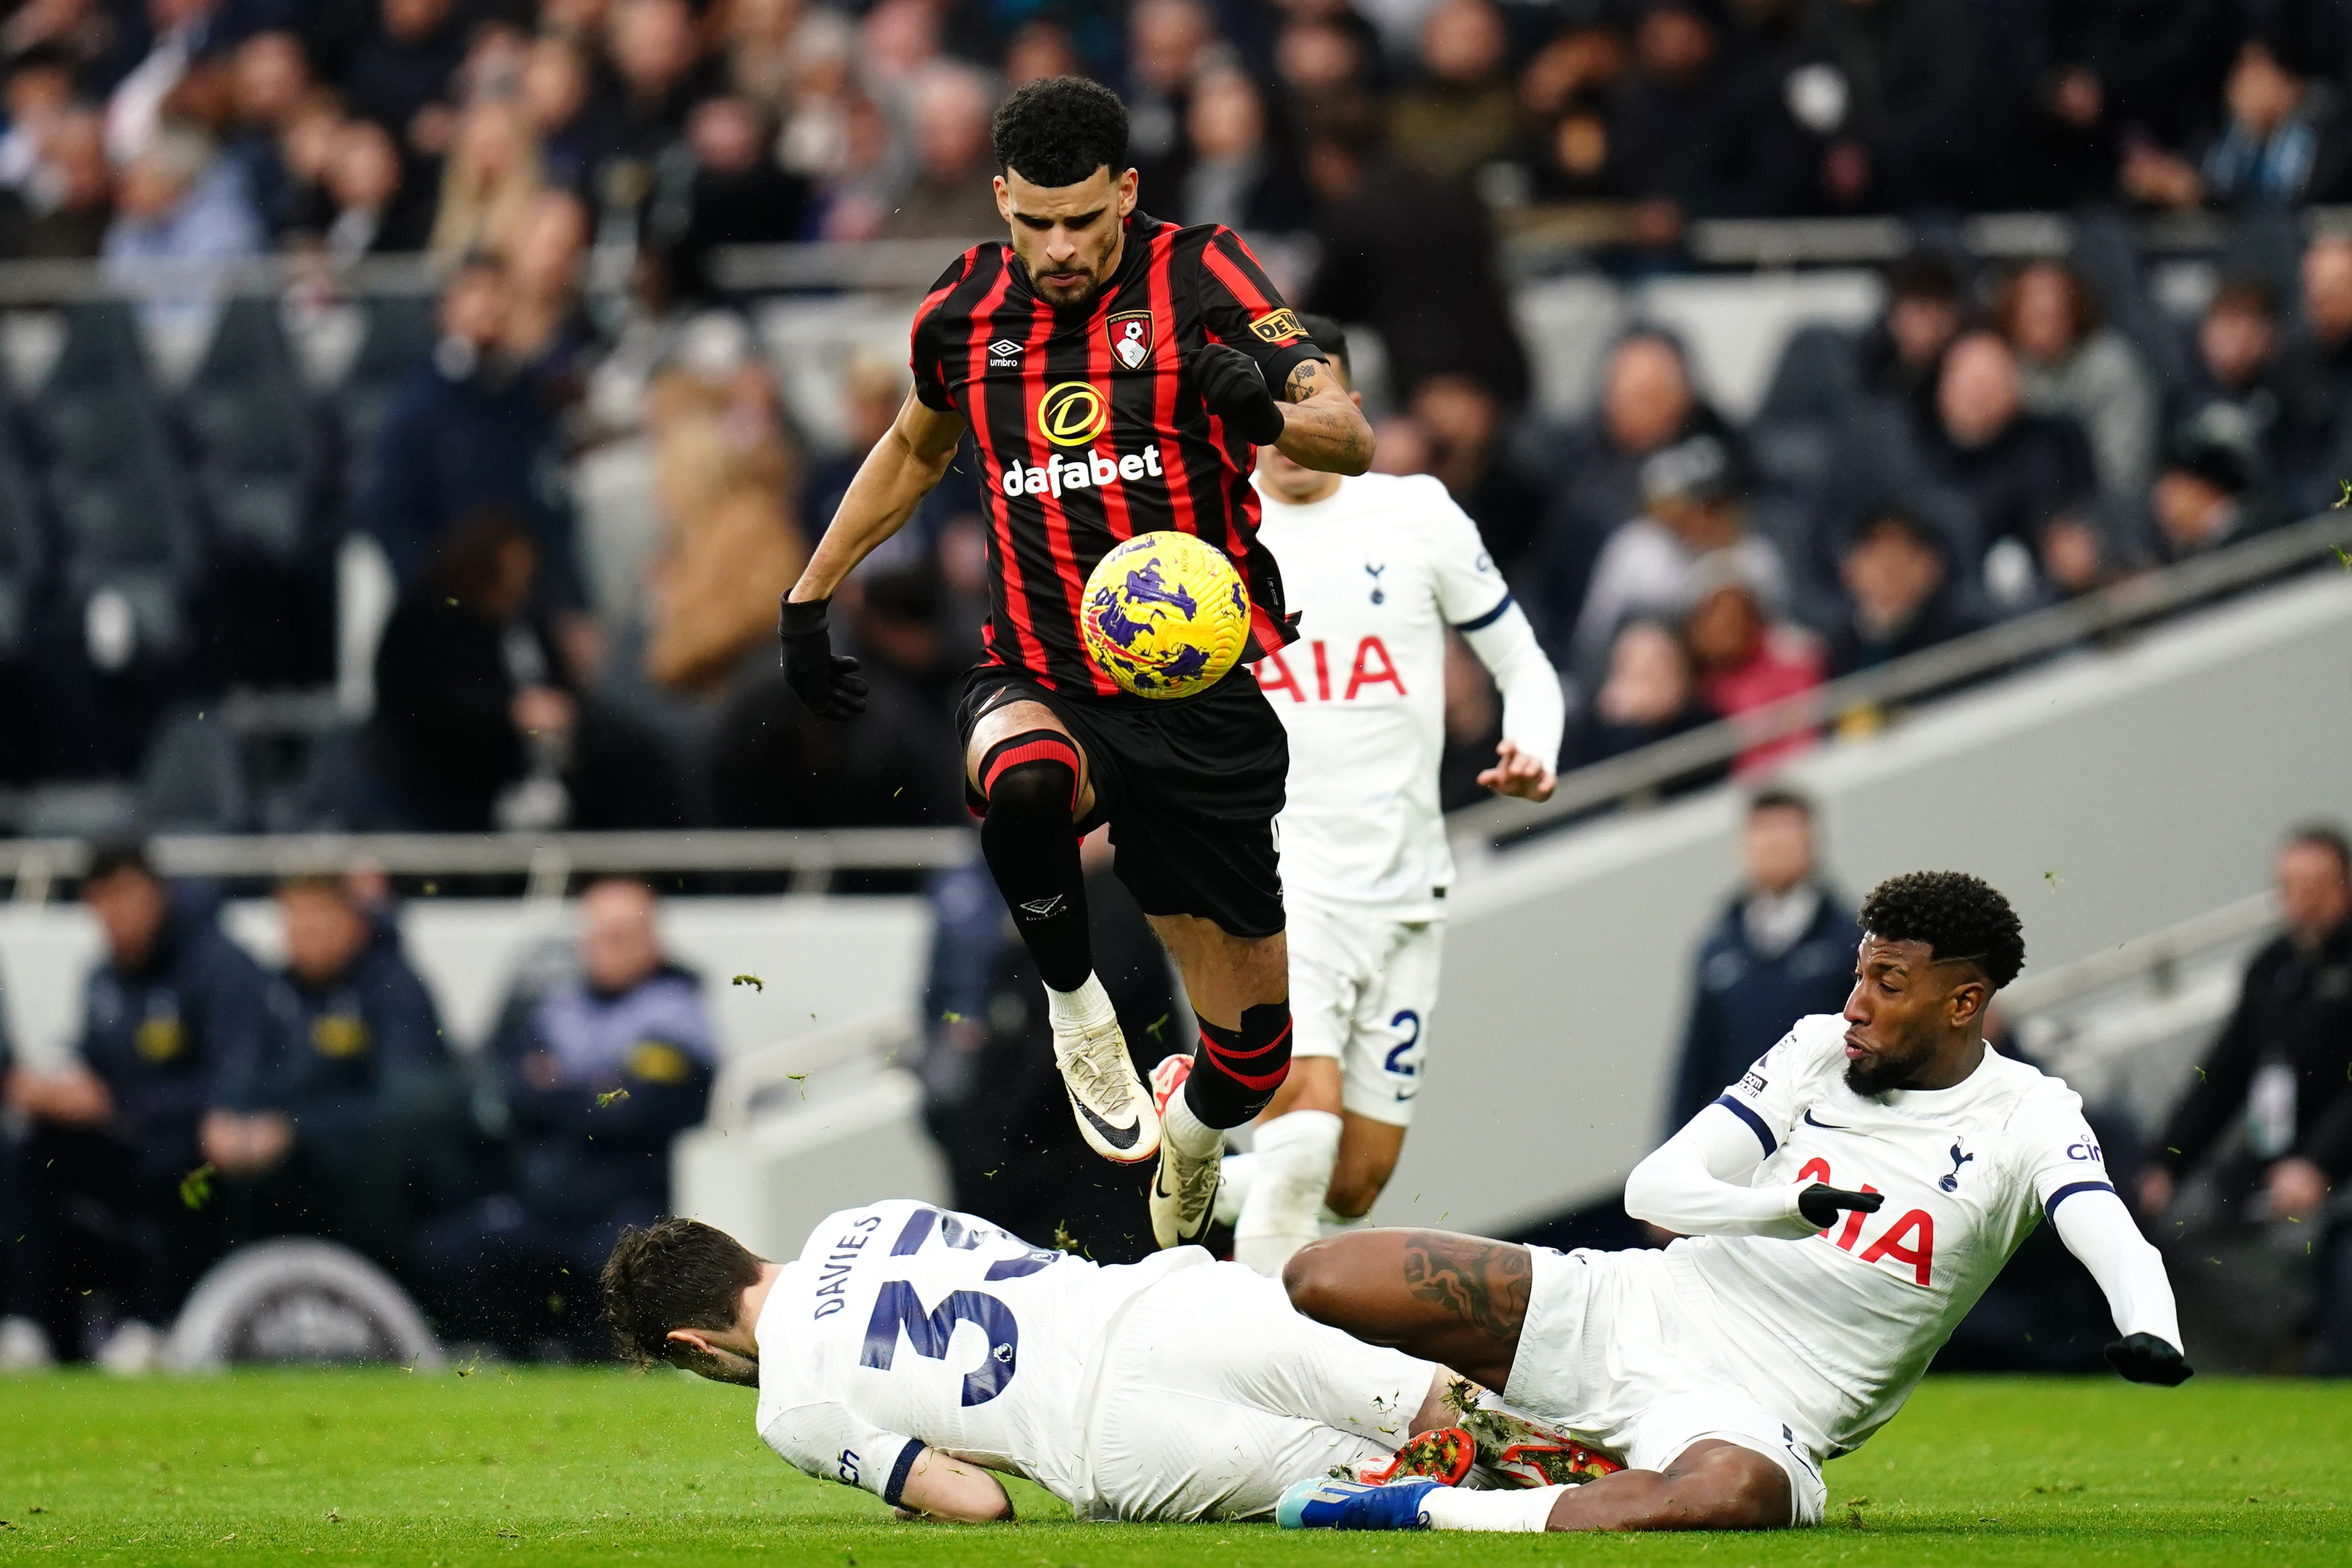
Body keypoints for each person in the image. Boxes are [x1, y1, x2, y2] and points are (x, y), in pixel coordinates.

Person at [774, 77, 1375, 1251]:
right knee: (1020, 780)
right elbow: (911, 444)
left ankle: (1195, 1130)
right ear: (1000, 199)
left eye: (1082, 222)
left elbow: (1345, 435)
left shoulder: (1203, 276)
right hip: (1046, 669)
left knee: (1250, 1056)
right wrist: (809, 594)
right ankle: (1074, 1003)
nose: (1056, 247)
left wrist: (1260, 409)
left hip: (1200, 700)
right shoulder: (960, 310)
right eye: (1032, 222)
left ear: (1126, 196)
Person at [1276, 871, 2192, 1533]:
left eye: (1888, 983)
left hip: (1762, 1407)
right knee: (1326, 1275)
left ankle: (1425, 1506)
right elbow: (1656, 1186)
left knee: (1732, 1499)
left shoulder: (2030, 1111)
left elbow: (2104, 1226)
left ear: (1964, 1001)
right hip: (1639, 1307)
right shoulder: (1816, 1048)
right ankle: (1533, 1442)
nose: (1856, 1004)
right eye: (1860, 974)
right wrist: (1784, 1207)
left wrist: (2152, 1324)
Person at [1212, 317, 1564, 1275]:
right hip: (1275, 882)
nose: (1286, 426)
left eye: (1307, 403)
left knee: (1351, 1177)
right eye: (1265, 407)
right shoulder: (1204, 531)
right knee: (1307, 1130)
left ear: (1351, 411)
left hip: (1406, 888)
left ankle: (1199, 1151)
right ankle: (1257, 1377)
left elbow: (1524, 665)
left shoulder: (1417, 517)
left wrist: (1532, 743)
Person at [601, 1202, 1607, 1521]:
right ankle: (1663, 1458)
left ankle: (1451, 1490)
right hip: (1160, 1301)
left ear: (691, 1342)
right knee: (1442, 1398)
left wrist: (914, 1473)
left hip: (1113, 1435)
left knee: (1408, 1491)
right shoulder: (861, 1215)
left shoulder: (792, 1405)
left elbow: (974, 1501)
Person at [417, 877, 715, 1357]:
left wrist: (558, 1089)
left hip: (631, 1206)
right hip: (544, 1202)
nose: (610, 947)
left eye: (625, 934)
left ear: (654, 940)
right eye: (600, 934)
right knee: (451, 1249)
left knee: (628, 1272)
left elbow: (639, 1108)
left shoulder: (677, 1015)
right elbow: (506, 1088)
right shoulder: (556, 1007)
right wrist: (592, 1090)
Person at [0, 840, 268, 1370]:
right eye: (105, 903)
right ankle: (25, 1325)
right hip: (122, 1145)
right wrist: (60, 1088)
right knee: (29, 1150)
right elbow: (95, 1065)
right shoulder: (102, 978)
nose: (118, 916)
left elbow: (238, 1083)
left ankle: (153, 1324)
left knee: (184, 1161)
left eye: (128, 899)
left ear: (158, 896)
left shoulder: (220, 964)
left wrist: (119, 1102)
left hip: (194, 1149)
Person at [207, 873, 467, 1267]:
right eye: (295, 920)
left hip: (373, 1180)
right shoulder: (269, 991)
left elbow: (406, 1104)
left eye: (320, 918)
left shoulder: (396, 987)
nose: (307, 933)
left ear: (355, 923)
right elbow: (239, 1071)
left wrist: (295, 1129)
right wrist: (226, 1116)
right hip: (283, 1170)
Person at [2139, 828, 2352, 1229]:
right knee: (2187, 1226)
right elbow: (2224, 1071)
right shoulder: (2272, 967)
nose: (2302, 902)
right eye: (2290, 887)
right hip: (2271, 1153)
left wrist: (2319, 1164)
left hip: (2333, 1165)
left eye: (2316, 887)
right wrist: (2167, 1162)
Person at [1666, 791, 1860, 1133]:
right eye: (1763, 832)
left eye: (1787, 831)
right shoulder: (1717, 948)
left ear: (1813, 841)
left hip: (1830, 1135)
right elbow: (1696, 1059)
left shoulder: (1851, 941)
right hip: (1742, 1140)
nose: (1774, 844)